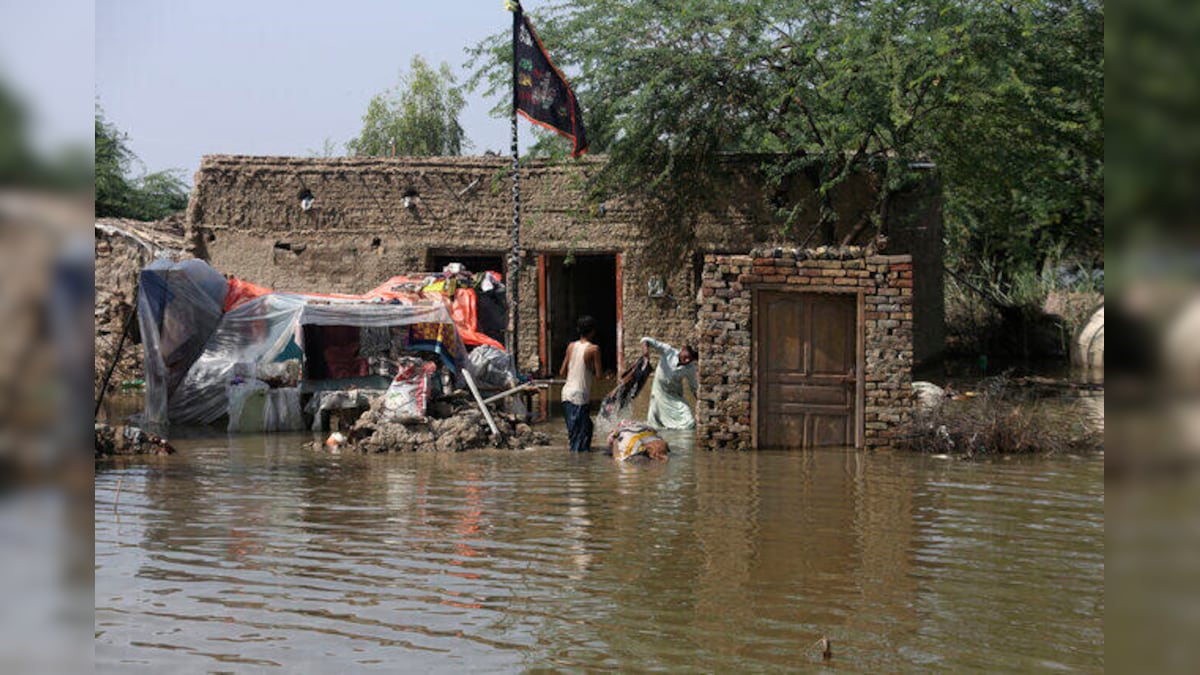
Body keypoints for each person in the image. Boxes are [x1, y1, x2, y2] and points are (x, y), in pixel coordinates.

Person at [560, 315, 603, 452]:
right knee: (580, 438)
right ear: (593, 331)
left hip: (566, 394)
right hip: (579, 396)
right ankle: (580, 469)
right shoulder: (594, 349)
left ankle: (578, 467)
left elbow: (562, 372)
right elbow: (599, 376)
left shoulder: (571, 346)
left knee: (581, 431)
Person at [640, 336, 699, 430]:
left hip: (674, 396)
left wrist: (701, 404)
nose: (687, 360)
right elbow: (646, 340)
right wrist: (646, 353)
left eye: (691, 359)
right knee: (655, 425)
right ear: (683, 350)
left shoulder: (690, 368)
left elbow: (694, 388)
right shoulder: (668, 351)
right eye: (687, 357)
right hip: (659, 392)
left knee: (689, 422)